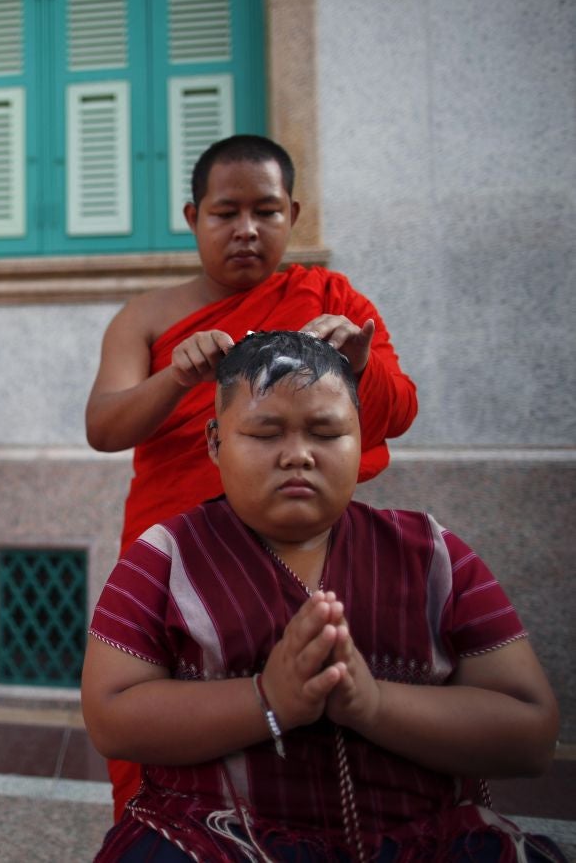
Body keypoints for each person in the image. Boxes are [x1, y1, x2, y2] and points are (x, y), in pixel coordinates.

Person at [82, 331, 565, 862]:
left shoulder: (433, 556)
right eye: (265, 433)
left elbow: (531, 735)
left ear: (361, 437)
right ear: (215, 443)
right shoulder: (165, 557)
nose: (298, 456)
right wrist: (267, 699)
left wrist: (373, 705)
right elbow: (111, 717)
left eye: (326, 432)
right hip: (213, 837)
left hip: (428, 838)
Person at [85, 134, 419, 816]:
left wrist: (358, 366)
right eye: (225, 212)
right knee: (162, 721)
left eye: (265, 211)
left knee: (313, 732)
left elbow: (400, 412)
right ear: (193, 217)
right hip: (179, 548)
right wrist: (177, 375)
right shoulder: (145, 317)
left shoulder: (332, 301)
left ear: (292, 214)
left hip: (306, 552)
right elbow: (104, 427)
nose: (246, 229)